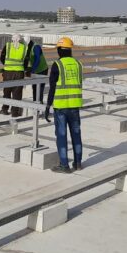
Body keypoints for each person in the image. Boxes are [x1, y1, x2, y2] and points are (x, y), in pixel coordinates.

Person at [44, 36, 83, 173]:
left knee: (61, 136)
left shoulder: (57, 65)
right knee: (76, 135)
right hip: (75, 106)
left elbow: (52, 88)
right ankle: (78, 163)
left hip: (61, 107)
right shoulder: (78, 64)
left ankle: (64, 165)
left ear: (59, 50)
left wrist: (48, 105)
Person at [0, 34, 29, 117]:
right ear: (20, 40)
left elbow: (2, 58)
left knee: (7, 92)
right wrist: (24, 68)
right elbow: (26, 61)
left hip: (8, 72)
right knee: (17, 93)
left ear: (12, 39)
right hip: (19, 73)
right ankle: (14, 112)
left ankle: (5, 109)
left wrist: (7, 65)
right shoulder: (24, 48)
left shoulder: (7, 46)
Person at [25, 36, 49, 103]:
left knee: (40, 88)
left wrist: (32, 70)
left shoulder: (36, 47)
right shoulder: (28, 48)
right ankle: (35, 102)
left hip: (42, 70)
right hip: (36, 70)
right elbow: (26, 59)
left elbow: (37, 60)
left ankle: (39, 104)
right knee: (35, 87)